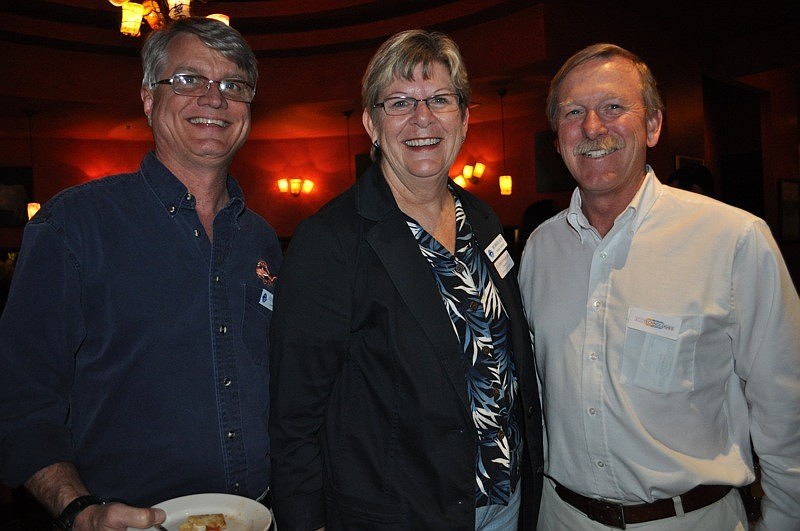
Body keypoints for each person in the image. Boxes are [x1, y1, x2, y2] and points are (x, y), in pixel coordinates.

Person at [0, 17, 281, 530]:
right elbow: (20, 398)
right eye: (189, 79)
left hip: (259, 518)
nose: (214, 99)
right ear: (149, 99)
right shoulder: (72, 226)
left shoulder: (262, 240)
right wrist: (79, 510)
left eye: (233, 86)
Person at [269, 29, 543, 530]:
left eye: (439, 99)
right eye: (399, 103)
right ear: (372, 124)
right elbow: (294, 423)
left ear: (464, 117)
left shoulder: (482, 221)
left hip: (506, 504)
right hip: (403, 515)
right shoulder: (330, 242)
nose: (422, 118)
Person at [518, 43, 800, 530]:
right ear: (558, 139)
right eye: (573, 113)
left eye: (612, 107)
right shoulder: (540, 250)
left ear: (652, 125)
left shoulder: (733, 240)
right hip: (560, 517)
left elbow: (785, 406)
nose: (592, 127)